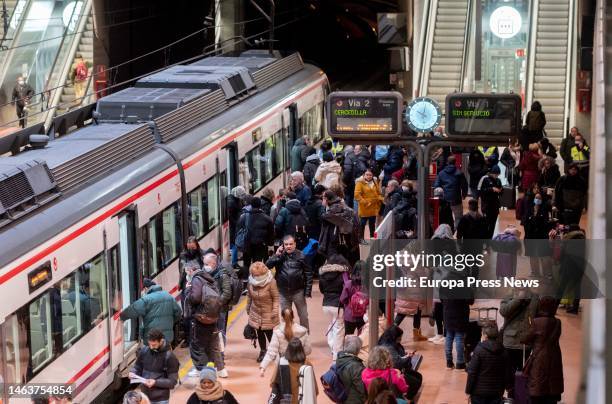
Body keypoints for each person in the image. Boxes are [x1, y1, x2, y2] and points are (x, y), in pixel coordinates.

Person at [521, 297, 564, 404]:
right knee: (551, 385)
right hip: (554, 357)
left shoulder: (536, 322)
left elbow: (524, 339)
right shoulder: (558, 322)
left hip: (539, 358)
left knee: (538, 385)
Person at [266, 235, 312, 330]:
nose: (288, 246)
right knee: (286, 318)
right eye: (286, 244)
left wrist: (307, 292)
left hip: (298, 292)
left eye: (291, 244)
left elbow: (308, 274)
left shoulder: (302, 255)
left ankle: (305, 338)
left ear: (295, 244)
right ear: (283, 245)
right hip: (283, 293)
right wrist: (276, 255)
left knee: (303, 316)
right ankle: (288, 338)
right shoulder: (279, 256)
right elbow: (267, 266)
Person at [500, 287, 539, 398]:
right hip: (510, 341)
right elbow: (504, 311)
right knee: (508, 372)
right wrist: (518, 299)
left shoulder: (535, 298)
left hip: (526, 343)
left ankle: (520, 393)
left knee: (523, 371)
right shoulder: (509, 295)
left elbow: (538, 315)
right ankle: (511, 392)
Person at [120, 279, 181, 345]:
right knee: (165, 353)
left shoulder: (146, 299)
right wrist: (170, 322)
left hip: (152, 338)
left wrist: (122, 316)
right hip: (167, 338)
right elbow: (178, 312)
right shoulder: (169, 296)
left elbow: (133, 309)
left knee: (153, 353)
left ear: (146, 288)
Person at [187, 264, 224, 375]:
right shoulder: (208, 278)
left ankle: (200, 370)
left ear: (191, 270)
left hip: (200, 316)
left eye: (187, 272)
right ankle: (216, 368)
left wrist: (188, 291)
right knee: (211, 343)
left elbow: (195, 298)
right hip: (212, 316)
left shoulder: (196, 280)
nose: (187, 274)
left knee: (197, 344)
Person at [129, 329, 179, 404]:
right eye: (150, 344)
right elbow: (138, 366)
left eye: (154, 345)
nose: (151, 347)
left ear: (161, 341)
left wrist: (155, 382)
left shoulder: (169, 357)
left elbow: (173, 381)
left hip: (161, 399)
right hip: (145, 397)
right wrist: (133, 372)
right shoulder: (144, 351)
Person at [465, 325, 511, 404]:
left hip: (478, 392)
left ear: (485, 336)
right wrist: (508, 387)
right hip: (497, 392)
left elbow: (472, 372)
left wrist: (468, 390)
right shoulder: (503, 351)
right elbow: (507, 372)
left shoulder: (479, 350)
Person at [202, 253, 234, 360]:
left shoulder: (223, 275)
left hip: (220, 310)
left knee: (220, 332)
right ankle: (211, 353)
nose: (204, 266)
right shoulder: (205, 274)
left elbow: (227, 293)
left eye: (207, 264)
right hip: (207, 309)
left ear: (214, 263)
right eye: (204, 263)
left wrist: (217, 303)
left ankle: (220, 354)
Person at [260, 308, 311, 374]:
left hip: (283, 366)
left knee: (277, 383)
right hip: (300, 365)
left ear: (282, 318)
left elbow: (271, 352)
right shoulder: (303, 331)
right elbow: (308, 350)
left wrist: (263, 367)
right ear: (293, 316)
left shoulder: (277, 333)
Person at [377, 326, 423, 400]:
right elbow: (396, 363)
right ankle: (406, 399)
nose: (400, 340)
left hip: (396, 369)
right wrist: (408, 357)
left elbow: (397, 357)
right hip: (392, 372)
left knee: (418, 377)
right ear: (395, 337)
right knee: (415, 382)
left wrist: (405, 355)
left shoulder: (390, 342)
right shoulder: (388, 347)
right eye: (399, 338)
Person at [247, 261, 280, 363]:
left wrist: (275, 311)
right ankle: (263, 351)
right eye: (254, 275)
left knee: (269, 333)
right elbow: (249, 295)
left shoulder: (271, 282)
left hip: (268, 312)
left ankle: (274, 352)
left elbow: (276, 298)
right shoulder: (251, 281)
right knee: (259, 332)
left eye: (257, 275)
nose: (255, 277)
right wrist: (248, 307)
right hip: (255, 311)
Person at [319, 254, 349, 360]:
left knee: (331, 325)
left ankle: (332, 347)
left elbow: (321, 290)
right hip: (338, 305)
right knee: (339, 329)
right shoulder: (343, 274)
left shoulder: (322, 274)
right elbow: (346, 288)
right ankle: (337, 354)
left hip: (326, 304)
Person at [270, 338, 318, 404]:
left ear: (288, 349)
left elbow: (273, 382)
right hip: (302, 401)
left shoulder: (281, 363)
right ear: (301, 349)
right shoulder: (307, 365)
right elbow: (314, 388)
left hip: (286, 401)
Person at [319, 189, 361, 264]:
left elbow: (326, 229)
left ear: (326, 199)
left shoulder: (330, 213)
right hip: (351, 242)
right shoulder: (346, 208)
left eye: (323, 198)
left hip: (337, 244)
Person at [441, 280, 474, 371]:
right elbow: (470, 300)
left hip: (447, 313)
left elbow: (441, 298)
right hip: (460, 314)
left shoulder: (445, 281)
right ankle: (460, 363)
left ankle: (449, 363)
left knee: (449, 337)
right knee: (459, 338)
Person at [237, 197, 273, 271]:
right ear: (260, 205)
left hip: (247, 244)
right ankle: (257, 279)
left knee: (246, 263)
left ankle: (245, 280)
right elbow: (271, 233)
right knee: (257, 263)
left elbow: (238, 230)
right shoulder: (267, 218)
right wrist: (269, 244)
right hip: (260, 245)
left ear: (251, 205)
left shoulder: (244, 217)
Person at [524, 193, 554, 279]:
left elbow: (546, 223)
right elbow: (525, 222)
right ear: (534, 199)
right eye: (536, 198)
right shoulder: (529, 209)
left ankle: (548, 273)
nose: (537, 199)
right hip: (530, 236)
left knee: (544, 256)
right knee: (532, 256)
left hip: (542, 236)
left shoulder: (544, 210)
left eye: (539, 198)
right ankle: (535, 272)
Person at [433, 155, 468, 228]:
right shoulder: (459, 173)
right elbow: (464, 185)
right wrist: (464, 194)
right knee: (458, 218)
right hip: (456, 199)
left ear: (447, 162)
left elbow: (436, 185)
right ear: (455, 162)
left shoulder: (441, 173)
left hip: (444, 201)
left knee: (446, 218)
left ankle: (448, 233)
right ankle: (454, 232)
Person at [354, 169, 383, 244]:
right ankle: (361, 239)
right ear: (364, 175)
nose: (369, 176)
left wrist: (380, 198)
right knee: (362, 224)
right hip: (364, 208)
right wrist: (365, 202)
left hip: (373, 207)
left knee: (372, 224)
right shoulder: (359, 183)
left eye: (370, 175)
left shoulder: (374, 181)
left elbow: (378, 192)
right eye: (367, 174)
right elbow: (357, 195)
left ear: (372, 175)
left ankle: (372, 239)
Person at [337, 335, 367, 404]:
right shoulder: (356, 366)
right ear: (357, 349)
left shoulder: (340, 358)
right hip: (354, 400)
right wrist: (366, 400)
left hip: (342, 397)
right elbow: (361, 387)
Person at [341, 260, 367, 335]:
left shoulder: (349, 283)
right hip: (363, 315)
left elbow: (343, 299)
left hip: (349, 315)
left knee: (348, 337)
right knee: (362, 337)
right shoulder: (367, 284)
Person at [479, 165, 503, 239]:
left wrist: (500, 190)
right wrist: (491, 189)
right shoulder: (485, 179)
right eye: (495, 174)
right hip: (487, 206)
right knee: (486, 225)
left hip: (495, 207)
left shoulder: (498, 180)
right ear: (491, 173)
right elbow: (481, 192)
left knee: (492, 225)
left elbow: (501, 192)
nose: (496, 176)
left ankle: (489, 240)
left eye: (498, 174)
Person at [228, 186, 247, 268]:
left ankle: (234, 261)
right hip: (234, 226)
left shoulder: (234, 199)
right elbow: (231, 217)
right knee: (234, 244)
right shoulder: (232, 203)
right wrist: (237, 223)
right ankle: (234, 262)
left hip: (235, 225)